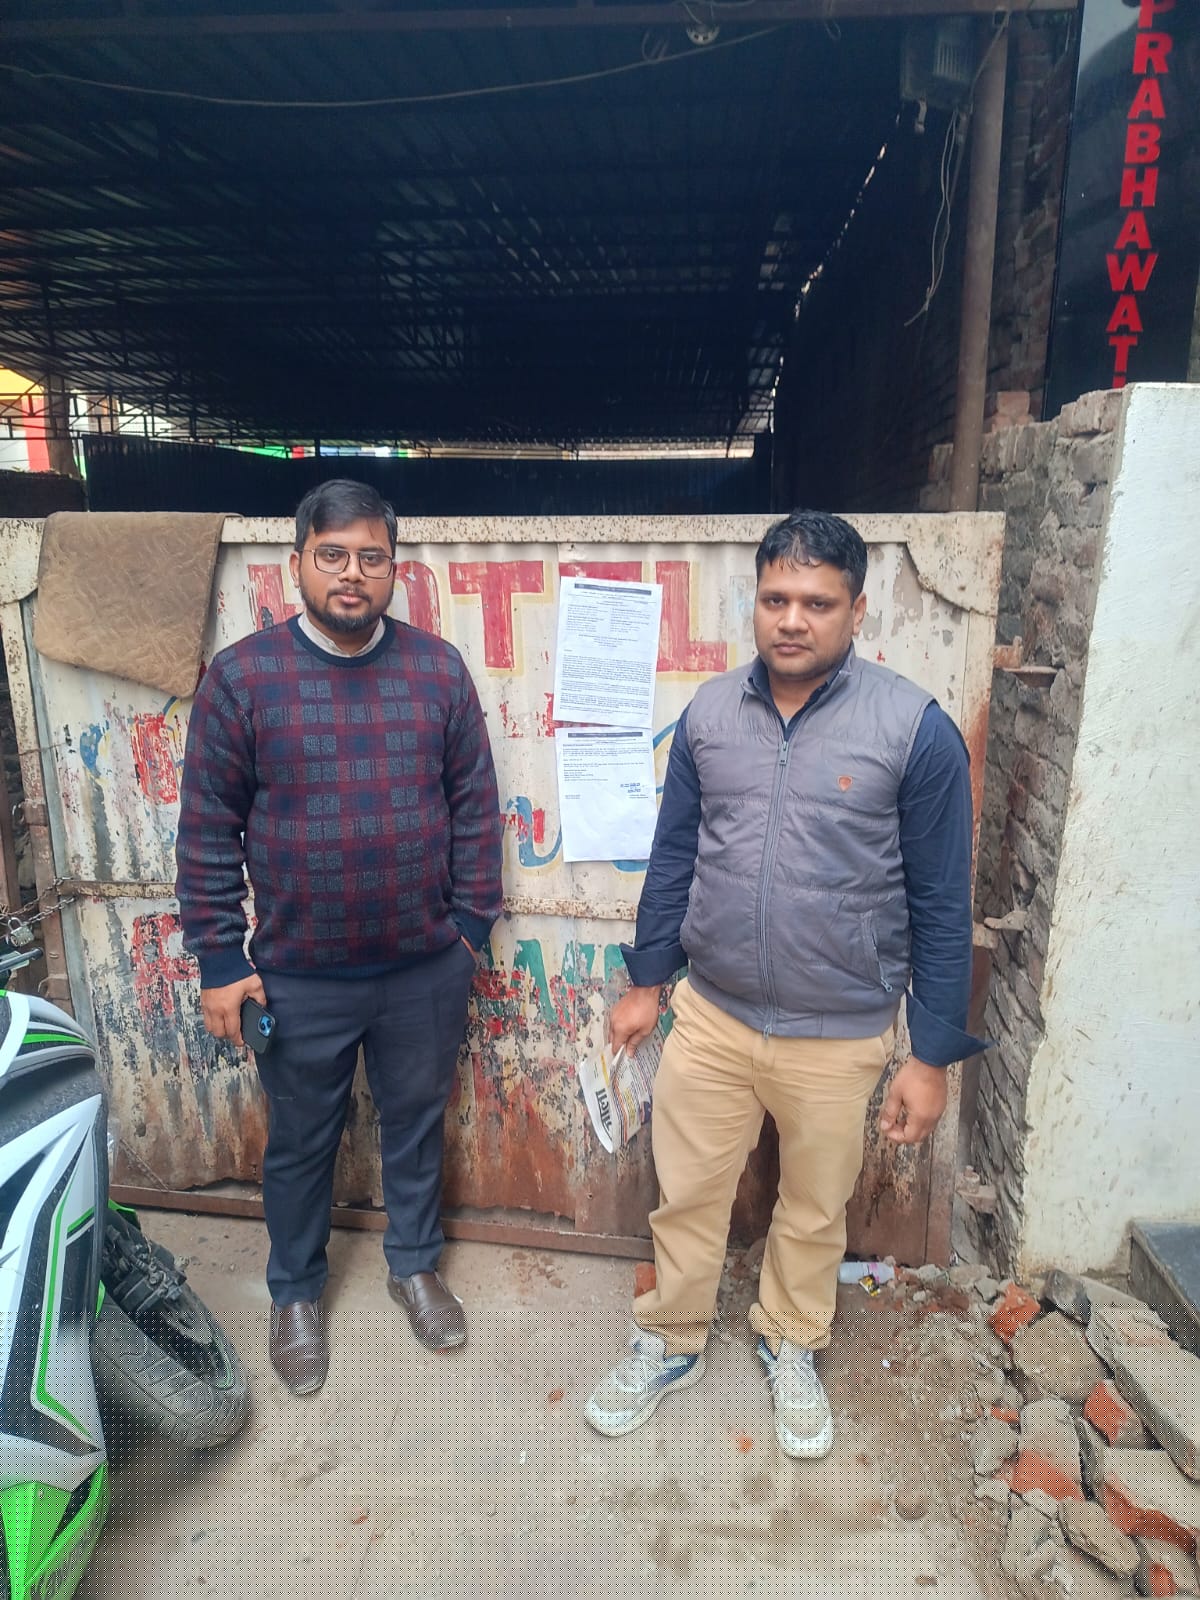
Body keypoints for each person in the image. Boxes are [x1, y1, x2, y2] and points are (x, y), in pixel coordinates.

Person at [584, 510, 985, 1458]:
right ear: (754, 603)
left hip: (839, 1031)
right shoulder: (710, 717)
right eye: (775, 599)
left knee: (812, 1207)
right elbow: (675, 856)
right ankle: (671, 1337)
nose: (792, 620)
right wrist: (649, 982)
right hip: (713, 1015)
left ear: (857, 611)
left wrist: (931, 1054)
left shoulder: (914, 731)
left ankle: (791, 1340)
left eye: (817, 602)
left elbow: (941, 901)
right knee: (687, 1192)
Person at [176, 478, 503, 1395]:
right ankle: (295, 1293)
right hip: (297, 975)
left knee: (415, 1127)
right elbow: (206, 830)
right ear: (297, 565)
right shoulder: (243, 679)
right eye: (332, 556)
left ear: (395, 570)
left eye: (370, 558)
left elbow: (476, 810)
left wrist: (468, 931)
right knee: (300, 1143)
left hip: (423, 969)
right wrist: (220, 961)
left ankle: (414, 1267)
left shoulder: (438, 672)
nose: (351, 575)